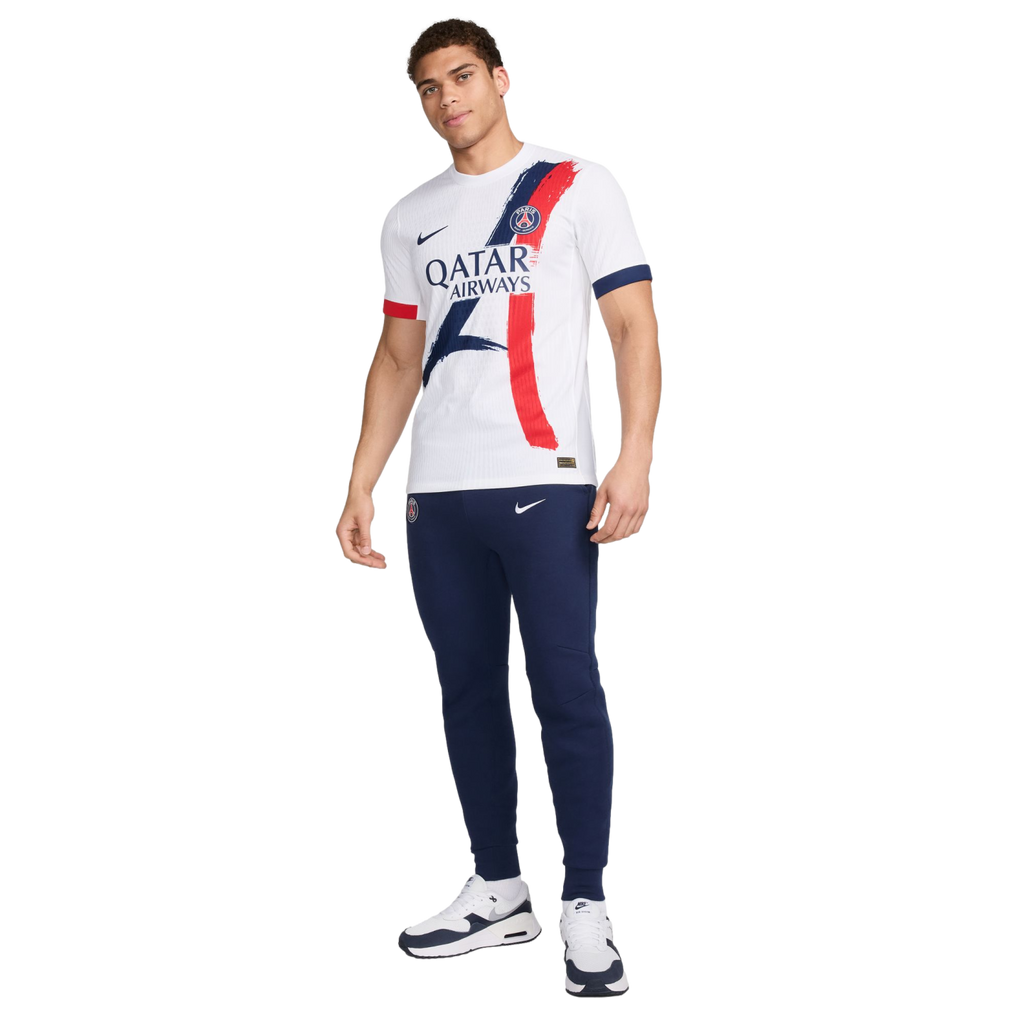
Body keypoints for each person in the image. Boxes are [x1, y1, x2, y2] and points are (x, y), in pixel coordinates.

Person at [333, 16, 661, 1001]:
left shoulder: (578, 182)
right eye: (428, 89)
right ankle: (498, 888)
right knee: (467, 691)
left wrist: (635, 455)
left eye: (462, 77)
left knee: (566, 689)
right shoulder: (408, 215)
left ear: (502, 79)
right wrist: (361, 481)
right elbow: (398, 356)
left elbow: (632, 324)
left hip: (549, 480)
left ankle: (587, 902)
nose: (447, 99)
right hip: (437, 496)